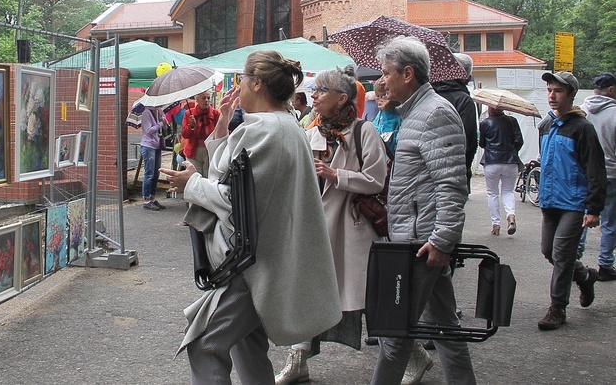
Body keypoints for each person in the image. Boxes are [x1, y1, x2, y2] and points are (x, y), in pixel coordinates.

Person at [161, 50, 341, 384]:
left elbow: (240, 202)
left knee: (204, 344)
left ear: (256, 83)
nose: (238, 87)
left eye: (242, 80)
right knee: (246, 344)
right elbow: (233, 178)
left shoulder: (268, 130)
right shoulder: (280, 125)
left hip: (254, 264)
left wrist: (191, 183)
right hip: (264, 259)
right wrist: (222, 128)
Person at [371, 36, 476, 385]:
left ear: (408, 74)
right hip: (418, 239)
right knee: (446, 326)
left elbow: (452, 182)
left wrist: (444, 239)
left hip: (421, 242)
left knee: (395, 335)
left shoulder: (435, 112)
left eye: (386, 73)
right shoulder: (416, 112)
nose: (381, 81)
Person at [274, 66, 388, 384]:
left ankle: (412, 354)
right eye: (315, 90)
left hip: (352, 231)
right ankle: (298, 361)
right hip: (315, 229)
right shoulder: (309, 132)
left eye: (321, 90)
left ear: (341, 98)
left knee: (364, 298)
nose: (314, 95)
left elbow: (377, 180)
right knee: (307, 294)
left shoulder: (365, 132)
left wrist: (336, 174)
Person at [536, 71, 607, 331]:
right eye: (550, 90)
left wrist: (593, 207)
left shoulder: (582, 128)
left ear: (572, 95)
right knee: (549, 251)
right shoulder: (546, 125)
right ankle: (586, 277)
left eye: (558, 91)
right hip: (550, 201)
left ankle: (557, 309)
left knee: (563, 255)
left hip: (574, 203)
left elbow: (595, 169)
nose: (552, 95)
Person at [578, 73, 616, 280]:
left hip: (585, 174)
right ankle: (605, 265)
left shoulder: (581, 112)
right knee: (610, 222)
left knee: (582, 218)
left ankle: (575, 261)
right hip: (611, 174)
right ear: (611, 90)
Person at [432, 52, 478, 193]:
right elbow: (469, 139)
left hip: (427, 171)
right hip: (454, 173)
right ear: (467, 78)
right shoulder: (464, 101)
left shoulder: (429, 94)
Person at [479, 106, 524, 235]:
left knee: (492, 194)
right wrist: (512, 150)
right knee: (508, 191)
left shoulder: (485, 123)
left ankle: (496, 225)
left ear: (490, 108)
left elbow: (482, 143)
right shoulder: (512, 121)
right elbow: (519, 141)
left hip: (491, 162)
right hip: (510, 161)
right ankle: (510, 215)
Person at [181, 91, 220, 177]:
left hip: (210, 152)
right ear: (197, 100)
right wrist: (190, 126)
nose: (206, 100)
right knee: (195, 179)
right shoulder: (189, 114)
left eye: (208, 98)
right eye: (203, 98)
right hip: (193, 152)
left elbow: (222, 131)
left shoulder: (216, 114)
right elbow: (184, 135)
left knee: (208, 179)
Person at [139, 106, 168, 211]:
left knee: (156, 173)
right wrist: (160, 123)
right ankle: (146, 200)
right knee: (149, 173)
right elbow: (148, 130)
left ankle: (152, 197)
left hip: (157, 145)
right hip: (148, 146)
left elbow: (165, 128)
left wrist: (163, 121)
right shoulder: (146, 112)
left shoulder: (159, 111)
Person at [372, 80, 401, 155]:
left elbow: (389, 142)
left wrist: (388, 112)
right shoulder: (380, 114)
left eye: (384, 95)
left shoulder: (399, 114)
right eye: (377, 96)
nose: (380, 99)